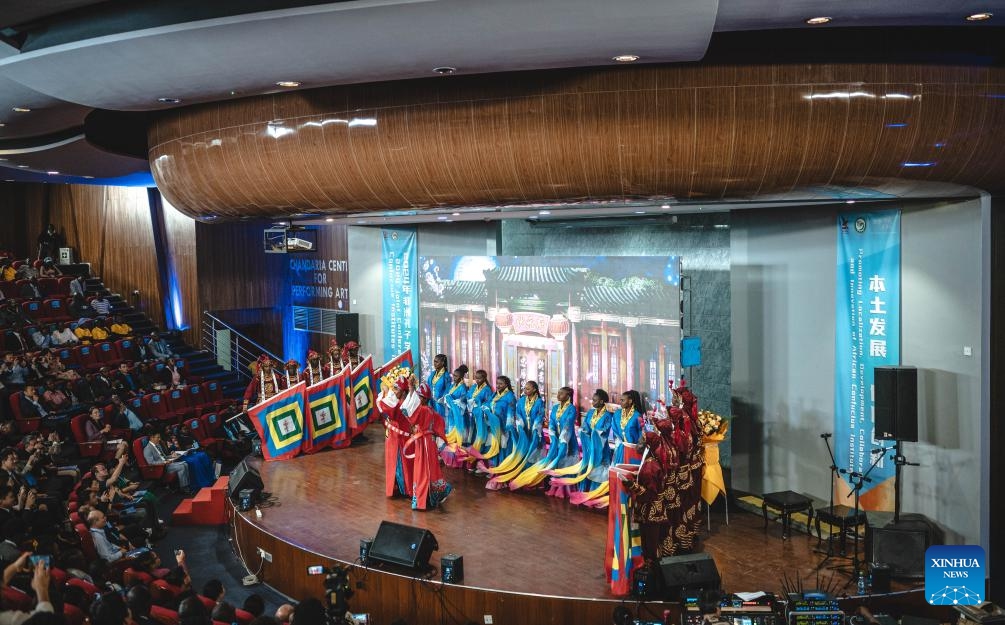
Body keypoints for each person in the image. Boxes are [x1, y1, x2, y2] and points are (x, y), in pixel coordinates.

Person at [486, 379, 544, 489]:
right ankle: (522, 478)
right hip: (523, 432)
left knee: (533, 455)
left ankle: (534, 481)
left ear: (535, 390)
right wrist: (519, 423)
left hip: (535, 432)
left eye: (528, 388)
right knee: (523, 454)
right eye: (524, 388)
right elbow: (517, 413)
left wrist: (536, 426)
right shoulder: (521, 400)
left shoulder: (539, 402)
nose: (525, 390)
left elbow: (540, 415)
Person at [405, 383, 452, 510]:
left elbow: (410, 418)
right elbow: (440, 424)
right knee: (430, 467)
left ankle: (422, 500)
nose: (417, 399)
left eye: (419, 397)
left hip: (424, 442)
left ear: (424, 399)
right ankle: (433, 493)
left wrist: (410, 392)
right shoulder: (431, 411)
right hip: (428, 441)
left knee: (422, 469)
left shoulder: (422, 410)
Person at [467, 375, 514, 472]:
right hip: (491, 424)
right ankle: (491, 468)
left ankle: (500, 470)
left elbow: (510, 412)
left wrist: (508, 427)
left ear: (506, 384)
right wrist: (485, 407)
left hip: (503, 427)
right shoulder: (495, 394)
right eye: (497, 384)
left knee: (501, 447)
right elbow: (488, 402)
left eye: (501, 384)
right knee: (491, 445)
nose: (498, 386)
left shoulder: (510, 396)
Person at [376, 377, 413, 499]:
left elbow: (383, 406)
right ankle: (398, 486)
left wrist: (384, 393)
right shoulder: (400, 402)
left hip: (399, 439)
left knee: (400, 463)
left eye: (396, 389)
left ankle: (404, 488)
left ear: (403, 391)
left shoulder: (402, 405)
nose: (394, 391)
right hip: (394, 436)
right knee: (394, 462)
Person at [439, 365, 470, 467]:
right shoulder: (453, 385)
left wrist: (455, 402)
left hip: (460, 417)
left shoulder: (463, 387)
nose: (454, 377)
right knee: (451, 436)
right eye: (454, 375)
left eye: (456, 376)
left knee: (459, 437)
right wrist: (445, 399)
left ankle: (459, 461)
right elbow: (448, 395)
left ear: (461, 377)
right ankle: (451, 459)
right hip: (451, 415)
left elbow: (464, 401)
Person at [425, 353, 450, 420]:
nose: (434, 363)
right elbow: (428, 385)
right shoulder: (433, 373)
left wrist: (442, 398)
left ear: (442, 363)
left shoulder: (446, 375)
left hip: (440, 402)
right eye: (434, 361)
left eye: (437, 362)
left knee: (439, 420)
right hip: (430, 401)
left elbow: (448, 389)